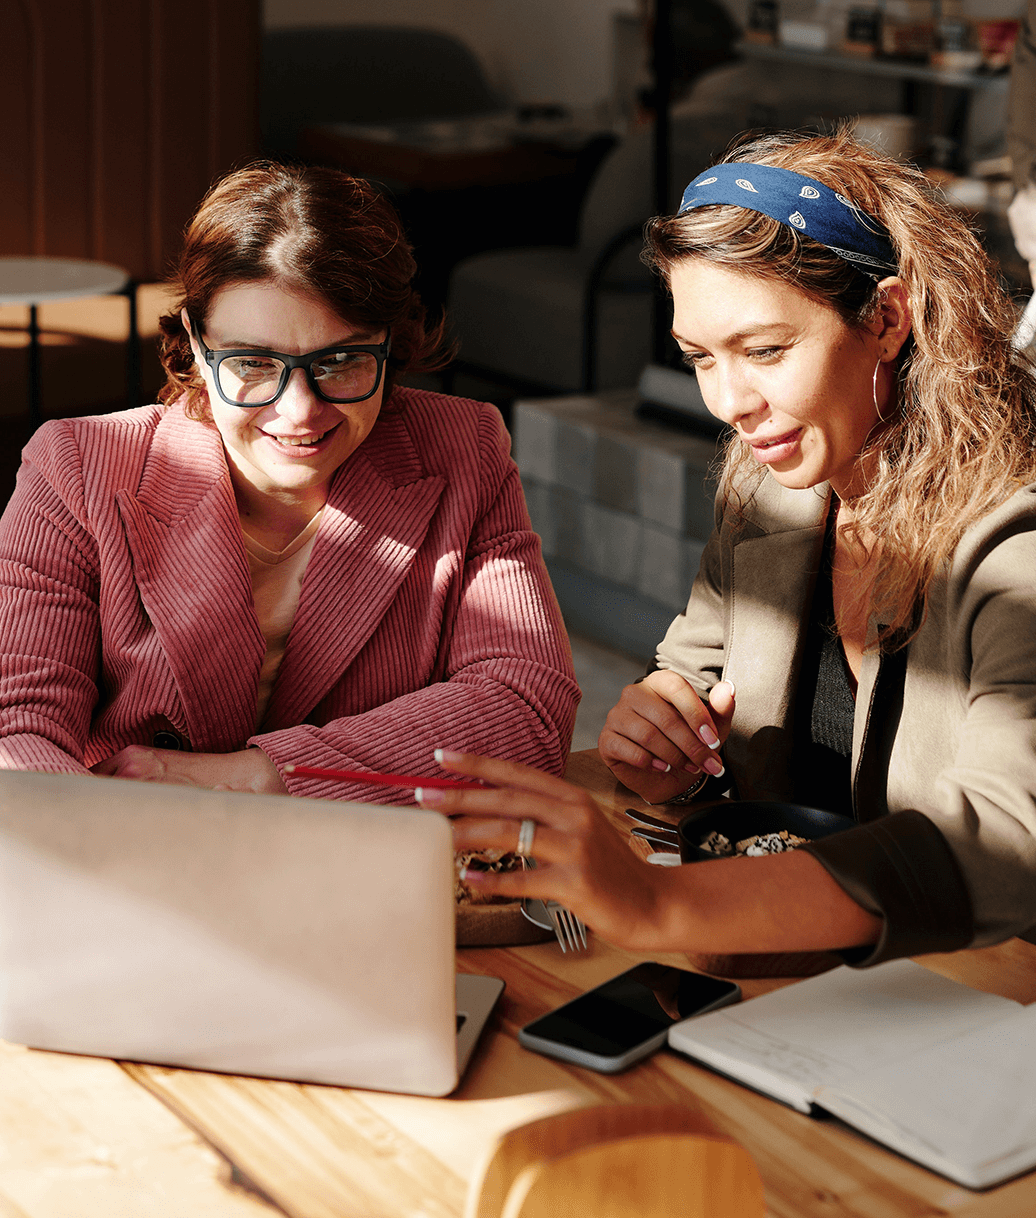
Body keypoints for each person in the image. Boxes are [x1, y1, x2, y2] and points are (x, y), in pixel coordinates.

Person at [434, 129, 1036, 966]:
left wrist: (660, 902)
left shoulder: (1016, 535)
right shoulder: (773, 490)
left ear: (888, 320)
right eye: (699, 359)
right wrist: (668, 741)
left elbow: (1006, 841)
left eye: (764, 351)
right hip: (814, 976)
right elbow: (694, 674)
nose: (729, 402)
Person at [0, 162, 579, 826]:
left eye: (340, 361)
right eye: (252, 363)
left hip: (361, 874)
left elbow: (526, 709)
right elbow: (0, 729)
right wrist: (98, 835)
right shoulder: (79, 467)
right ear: (195, 341)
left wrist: (260, 775)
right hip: (137, 860)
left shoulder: (462, 449)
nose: (299, 411)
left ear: (393, 344)